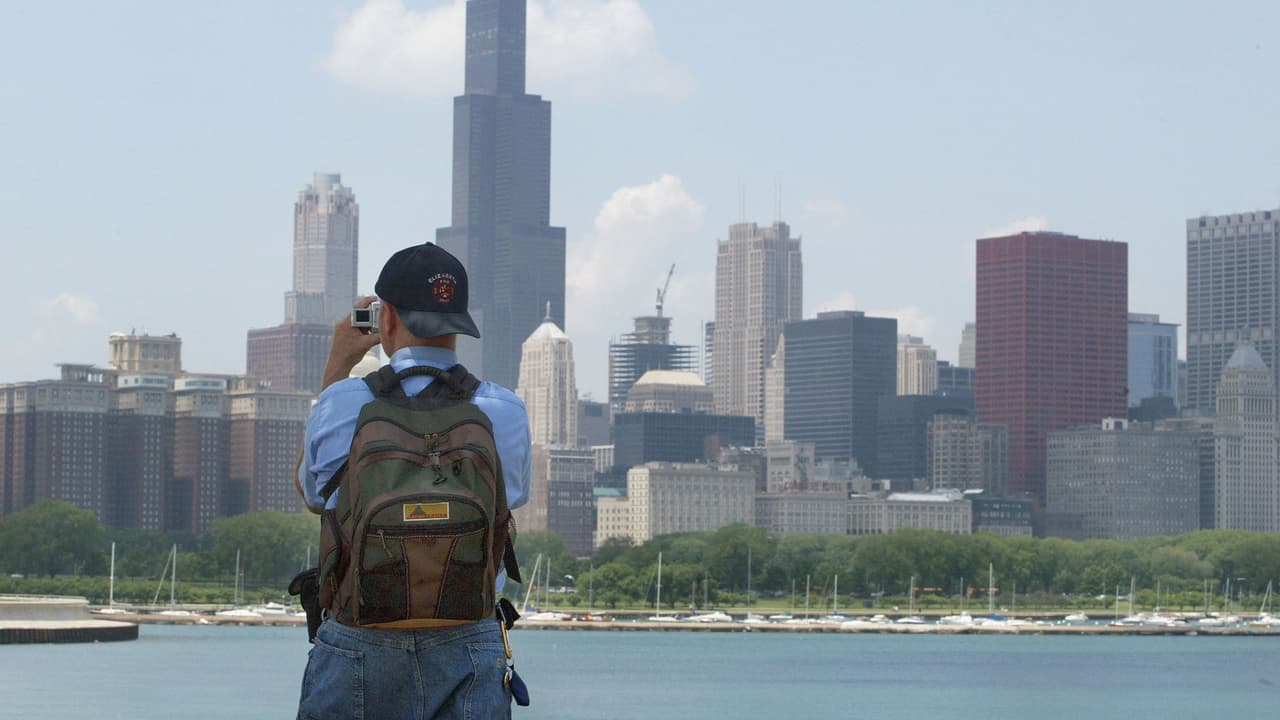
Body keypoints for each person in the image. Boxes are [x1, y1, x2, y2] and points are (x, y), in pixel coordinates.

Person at [295, 242, 532, 720]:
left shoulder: (343, 402)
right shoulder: (503, 410)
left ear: (384, 319)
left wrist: (338, 363)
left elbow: (314, 493)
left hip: (359, 641)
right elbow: (514, 497)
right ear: (459, 325)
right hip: (469, 640)